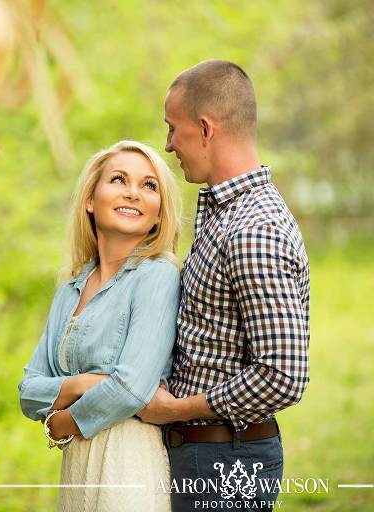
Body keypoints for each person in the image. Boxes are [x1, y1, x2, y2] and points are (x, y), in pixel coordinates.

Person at [138, 60, 310, 511]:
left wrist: (175, 410)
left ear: (205, 128)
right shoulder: (220, 214)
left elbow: (282, 376)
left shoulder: (254, 227)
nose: (168, 144)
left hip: (225, 463)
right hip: (204, 454)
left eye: (173, 129)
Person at [19, 139, 181, 511]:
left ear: (159, 213)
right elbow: (28, 392)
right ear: (90, 200)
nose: (133, 193)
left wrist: (62, 423)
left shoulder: (157, 277)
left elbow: (131, 390)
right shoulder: (69, 289)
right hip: (76, 465)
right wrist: (84, 383)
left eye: (149, 185)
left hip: (128, 457)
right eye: (119, 179)